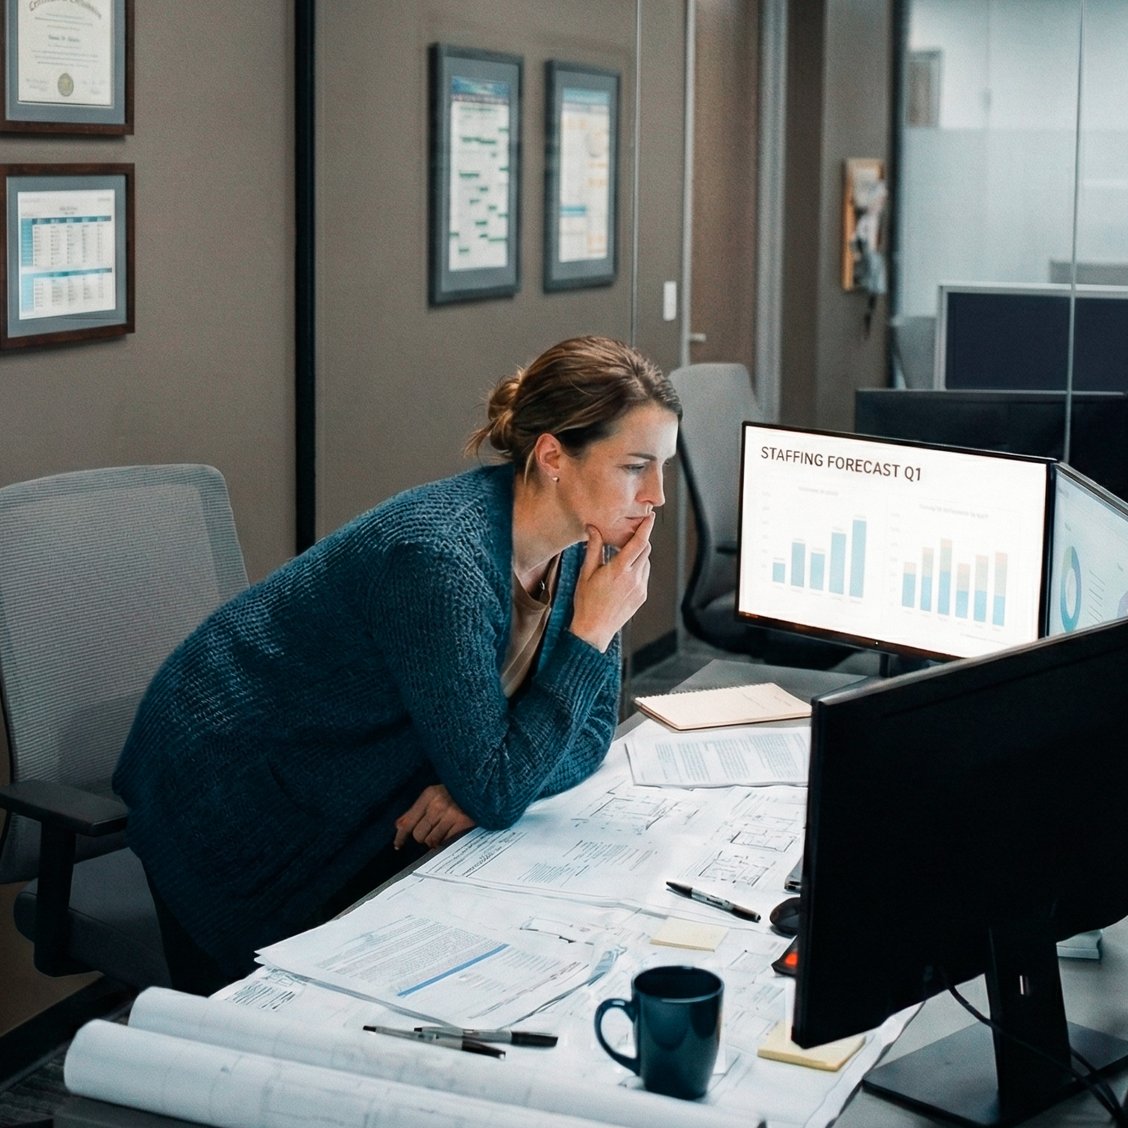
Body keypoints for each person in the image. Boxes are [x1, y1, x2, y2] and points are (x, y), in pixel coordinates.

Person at [113, 335, 681, 994]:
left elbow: (585, 738)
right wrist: (587, 637)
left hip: (351, 783)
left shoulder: (588, 547)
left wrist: (482, 788)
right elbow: (498, 787)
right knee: (268, 1028)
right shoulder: (441, 562)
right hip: (232, 790)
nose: (658, 496)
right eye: (636, 466)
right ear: (553, 456)